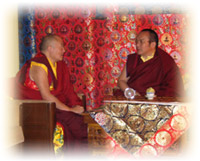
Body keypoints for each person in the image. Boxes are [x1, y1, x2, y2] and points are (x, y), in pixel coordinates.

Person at [14, 34, 88, 152]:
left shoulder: (59, 65)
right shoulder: (39, 66)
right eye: (61, 47)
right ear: (50, 48)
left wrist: (75, 105)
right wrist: (70, 110)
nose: (64, 50)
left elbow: (67, 91)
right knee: (78, 123)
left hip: (53, 107)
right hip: (39, 110)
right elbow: (46, 96)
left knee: (82, 119)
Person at [116, 29, 184, 97]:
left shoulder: (165, 60)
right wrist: (130, 92)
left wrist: (154, 98)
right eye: (136, 41)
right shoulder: (133, 59)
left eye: (141, 42)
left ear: (153, 44)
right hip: (134, 99)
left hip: (156, 101)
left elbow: (174, 87)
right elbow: (121, 80)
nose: (137, 45)